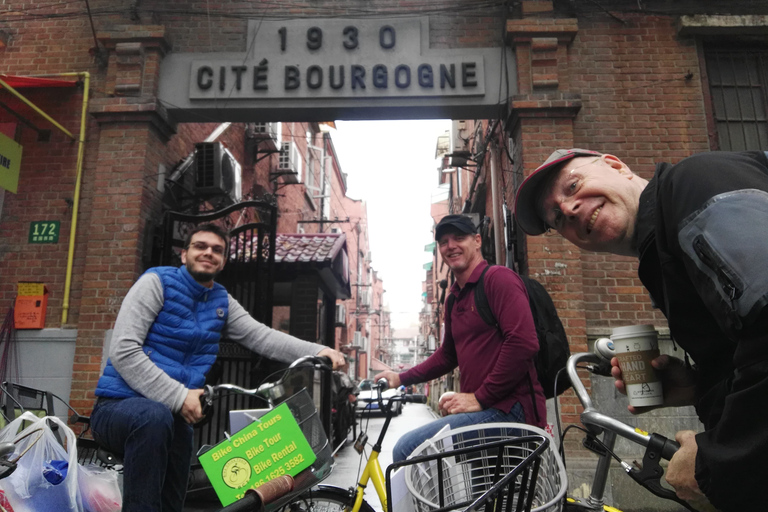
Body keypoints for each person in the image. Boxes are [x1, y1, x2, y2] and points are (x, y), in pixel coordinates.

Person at [514, 148, 768, 512]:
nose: (568, 210)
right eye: (557, 218)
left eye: (573, 185)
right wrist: (695, 385)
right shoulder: (662, 248)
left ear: (617, 164)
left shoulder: (693, 186)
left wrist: (717, 460)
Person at [90, 223, 347, 512]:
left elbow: (261, 336)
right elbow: (123, 350)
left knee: (176, 480)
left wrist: (318, 350)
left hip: (170, 419)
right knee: (155, 416)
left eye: (217, 250)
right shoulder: (156, 283)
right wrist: (178, 396)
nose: (208, 253)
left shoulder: (220, 301)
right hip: (118, 408)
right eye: (200, 246)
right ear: (184, 254)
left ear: (223, 261)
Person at [375, 214, 546, 462]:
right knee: (477, 498)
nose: (451, 246)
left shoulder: (498, 279)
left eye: (459, 238)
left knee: (409, 448)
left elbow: (523, 342)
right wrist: (400, 377)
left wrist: (480, 397)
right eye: (444, 241)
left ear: (477, 241)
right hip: (483, 410)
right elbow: (447, 355)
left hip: (511, 409)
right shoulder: (454, 299)